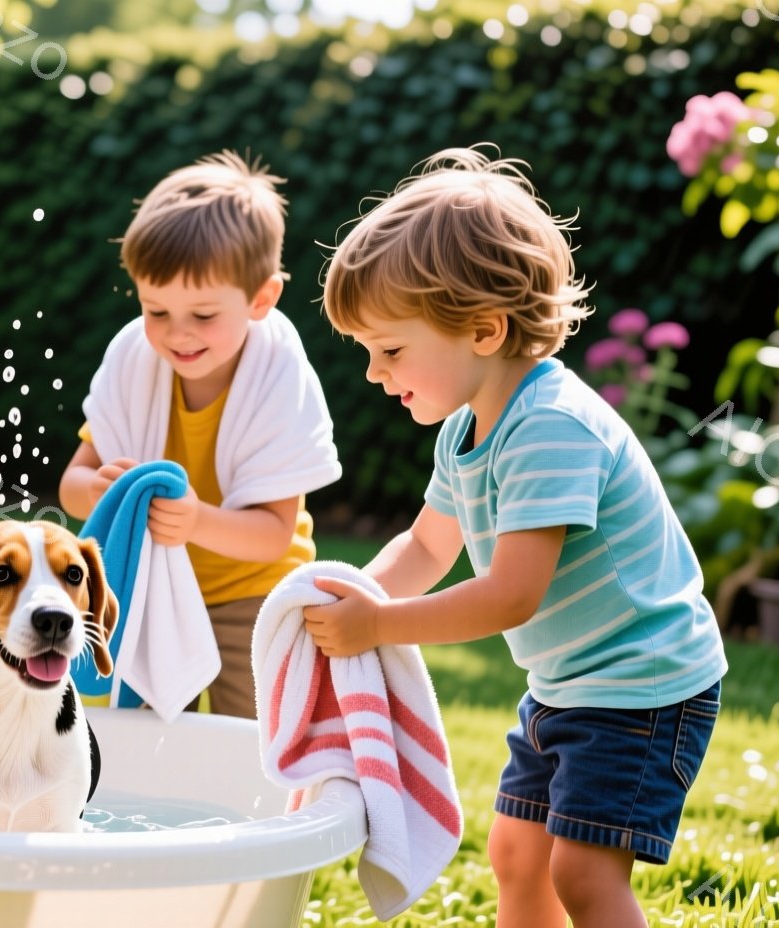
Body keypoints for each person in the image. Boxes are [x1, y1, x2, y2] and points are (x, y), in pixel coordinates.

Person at [304, 147, 726, 928]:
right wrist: (354, 594)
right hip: (569, 685)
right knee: (515, 855)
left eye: (389, 349)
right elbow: (429, 548)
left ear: (485, 330)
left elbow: (509, 594)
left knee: (584, 873)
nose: (371, 372)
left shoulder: (550, 428)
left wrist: (378, 625)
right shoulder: (466, 429)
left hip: (643, 686)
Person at [58, 151, 341, 719]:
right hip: (153, 591)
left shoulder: (277, 377)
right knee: (151, 738)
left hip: (252, 594)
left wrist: (195, 520)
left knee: (258, 741)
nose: (177, 334)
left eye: (204, 315)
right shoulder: (134, 363)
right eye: (155, 310)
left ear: (261, 299)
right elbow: (71, 483)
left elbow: (271, 536)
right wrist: (97, 491)